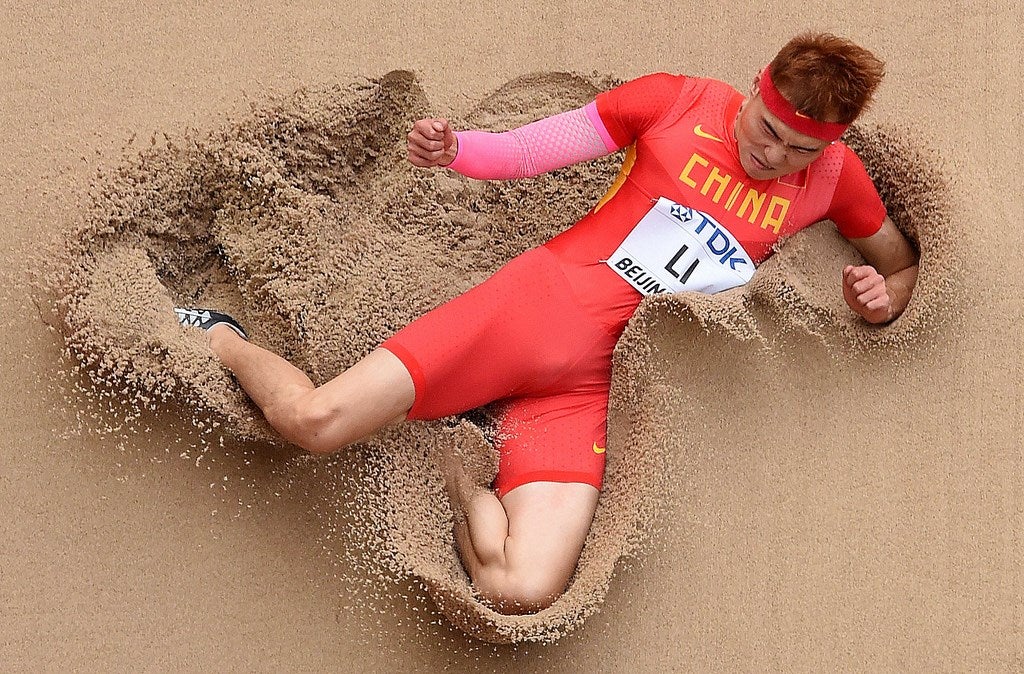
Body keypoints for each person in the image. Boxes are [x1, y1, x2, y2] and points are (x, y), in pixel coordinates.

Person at [175, 32, 918, 615]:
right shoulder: (677, 102)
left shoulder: (832, 180)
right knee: (311, 420)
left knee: (519, 589)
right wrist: (457, 151)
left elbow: (898, 262)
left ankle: (455, 461)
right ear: (758, 88)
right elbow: (537, 147)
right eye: (766, 129)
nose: (771, 155)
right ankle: (221, 335)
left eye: (800, 149)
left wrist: (878, 300)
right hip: (532, 312)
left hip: (589, 386)